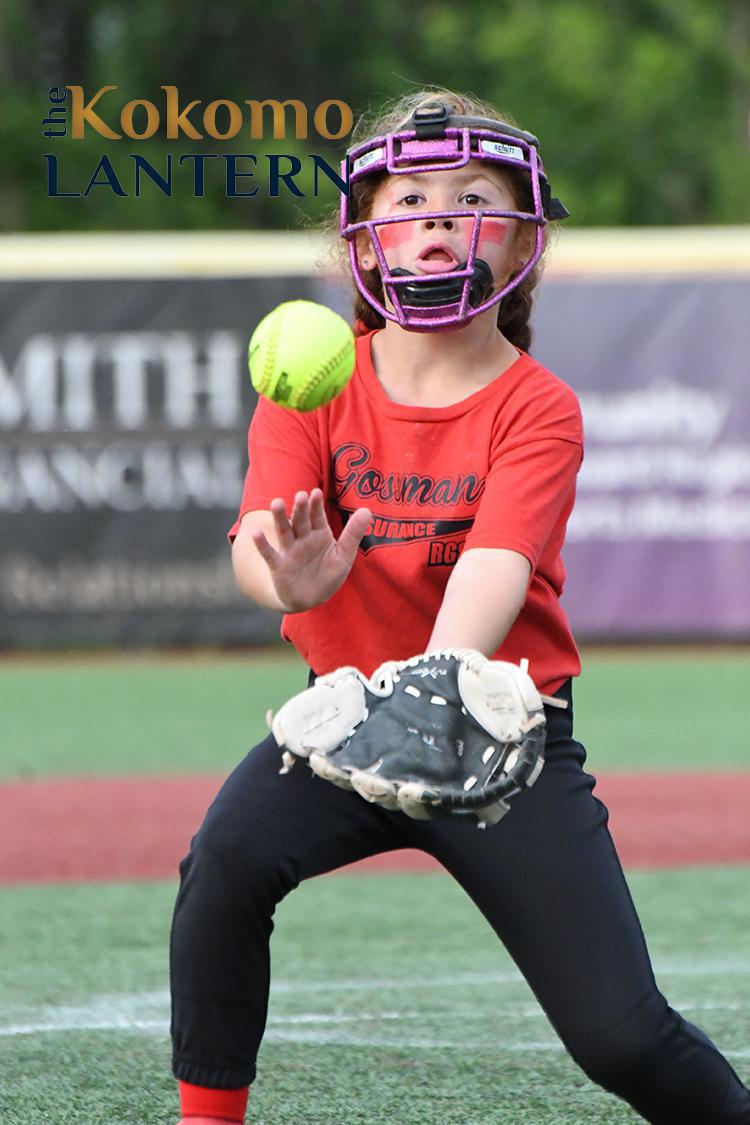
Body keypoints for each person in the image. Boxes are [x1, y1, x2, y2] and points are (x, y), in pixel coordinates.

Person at [170, 89, 750, 1124]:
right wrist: (286, 580)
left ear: (524, 234)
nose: (437, 218)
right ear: (364, 235)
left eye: (471, 197)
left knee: (622, 1035)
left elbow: (496, 565)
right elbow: (259, 544)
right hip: (345, 721)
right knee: (224, 864)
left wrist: (432, 689)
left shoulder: (538, 403)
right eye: (412, 198)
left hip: (497, 736)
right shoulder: (312, 385)